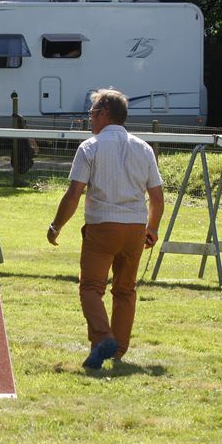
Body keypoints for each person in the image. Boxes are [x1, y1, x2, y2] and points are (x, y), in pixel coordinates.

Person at [46, 89, 164, 370]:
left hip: (102, 227)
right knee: (125, 290)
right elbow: (157, 198)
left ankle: (102, 338)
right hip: (135, 228)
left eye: (92, 113)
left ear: (104, 114)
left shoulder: (90, 147)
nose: (89, 118)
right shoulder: (144, 148)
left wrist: (56, 225)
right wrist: (152, 228)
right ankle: (117, 351)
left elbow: (74, 193)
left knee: (90, 288)